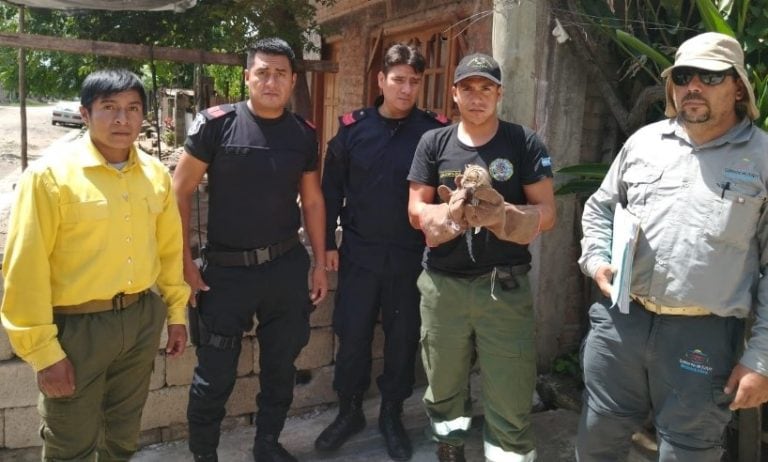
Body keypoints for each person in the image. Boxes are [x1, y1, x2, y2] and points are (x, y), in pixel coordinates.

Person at [576, 32, 768, 461]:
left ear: (738, 85)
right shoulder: (643, 143)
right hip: (621, 322)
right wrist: (597, 259)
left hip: (703, 335)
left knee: (689, 451)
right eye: (683, 76)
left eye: (709, 77)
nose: (692, 86)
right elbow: (600, 209)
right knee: (597, 436)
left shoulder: (762, 158)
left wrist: (761, 360)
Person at [0, 69, 189, 461]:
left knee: (122, 434)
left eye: (133, 109)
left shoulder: (155, 175)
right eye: (109, 108)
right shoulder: (50, 177)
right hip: (76, 330)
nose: (122, 119)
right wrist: (44, 352)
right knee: (70, 441)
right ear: (85, 114)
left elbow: (170, 251)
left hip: (139, 319)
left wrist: (175, 314)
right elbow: (25, 267)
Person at [174, 37, 328, 462]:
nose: (271, 81)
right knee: (213, 378)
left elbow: (313, 201)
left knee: (281, 370)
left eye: (280, 73)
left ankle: (267, 445)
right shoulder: (215, 124)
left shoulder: (302, 134)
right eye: (262, 72)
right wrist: (184, 264)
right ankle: (204, 455)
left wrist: (318, 263)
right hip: (224, 274)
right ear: (247, 77)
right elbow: (179, 192)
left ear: (293, 80)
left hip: (284, 268)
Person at [407, 53, 556, 462]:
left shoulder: (523, 142)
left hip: (503, 288)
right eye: (468, 88)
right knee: (444, 381)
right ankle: (449, 445)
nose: (477, 97)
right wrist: (450, 214)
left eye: (486, 88)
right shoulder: (433, 143)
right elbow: (415, 211)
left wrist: (503, 215)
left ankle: (507, 454)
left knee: (510, 385)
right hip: (443, 287)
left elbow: (547, 214)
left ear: (499, 93)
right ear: (454, 93)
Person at [315, 43, 449, 460]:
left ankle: (392, 413)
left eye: (414, 81)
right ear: (381, 81)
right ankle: (349, 411)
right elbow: (330, 191)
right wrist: (329, 247)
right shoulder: (354, 130)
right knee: (352, 335)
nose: (406, 89)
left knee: (403, 338)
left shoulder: (433, 132)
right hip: (360, 254)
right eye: (398, 80)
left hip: (411, 256)